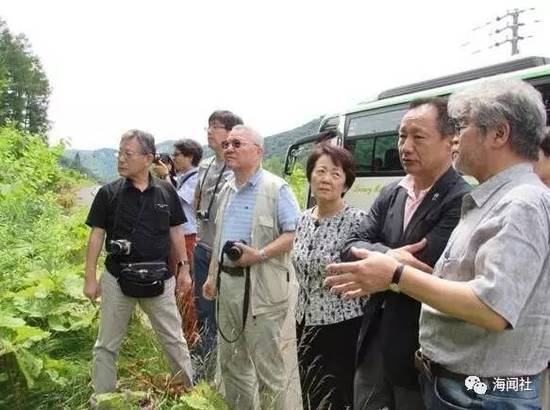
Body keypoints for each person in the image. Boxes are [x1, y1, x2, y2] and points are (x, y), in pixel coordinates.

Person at [326, 78, 550, 409]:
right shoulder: (489, 200)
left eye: (462, 126)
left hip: (482, 394)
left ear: (499, 134)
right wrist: (395, 264)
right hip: (458, 387)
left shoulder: (522, 203)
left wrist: (395, 274)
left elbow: (492, 308)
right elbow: (355, 244)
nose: (455, 138)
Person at [338, 97, 470, 410]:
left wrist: (380, 261)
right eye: (401, 136)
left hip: (421, 349)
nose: (405, 147)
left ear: (450, 141)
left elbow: (426, 265)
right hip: (374, 339)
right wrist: (391, 255)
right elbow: (349, 245)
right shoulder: (392, 192)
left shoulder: (461, 199)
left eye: (418, 137)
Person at [83, 129, 194, 396]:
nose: (121, 159)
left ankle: (189, 396)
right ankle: (104, 399)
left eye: (128, 154)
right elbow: (96, 235)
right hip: (117, 278)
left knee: (174, 341)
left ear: (148, 158)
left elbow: (176, 231)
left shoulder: (166, 191)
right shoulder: (108, 193)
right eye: (119, 153)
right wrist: (90, 277)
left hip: (160, 280)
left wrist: (184, 269)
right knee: (106, 345)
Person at [202, 125, 301, 409]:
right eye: (227, 144)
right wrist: (212, 277)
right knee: (232, 363)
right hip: (227, 285)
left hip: (263, 289)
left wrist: (259, 254)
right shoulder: (226, 189)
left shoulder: (276, 189)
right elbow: (219, 237)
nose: (228, 148)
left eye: (237, 144)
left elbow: (295, 233)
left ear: (258, 152)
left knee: (267, 371)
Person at [293, 143, 367, 409]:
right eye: (320, 171)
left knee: (338, 396)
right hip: (304, 320)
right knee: (310, 390)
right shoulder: (302, 219)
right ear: (310, 176)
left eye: (336, 174)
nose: (326, 179)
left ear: (345, 184)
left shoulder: (358, 220)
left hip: (342, 325)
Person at [192, 110, 243, 369]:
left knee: (230, 313)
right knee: (204, 308)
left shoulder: (239, 168)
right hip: (202, 247)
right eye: (208, 126)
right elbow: (197, 200)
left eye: (216, 126)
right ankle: (207, 363)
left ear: (232, 132)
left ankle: (228, 365)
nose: (209, 131)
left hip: (226, 254)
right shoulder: (205, 165)